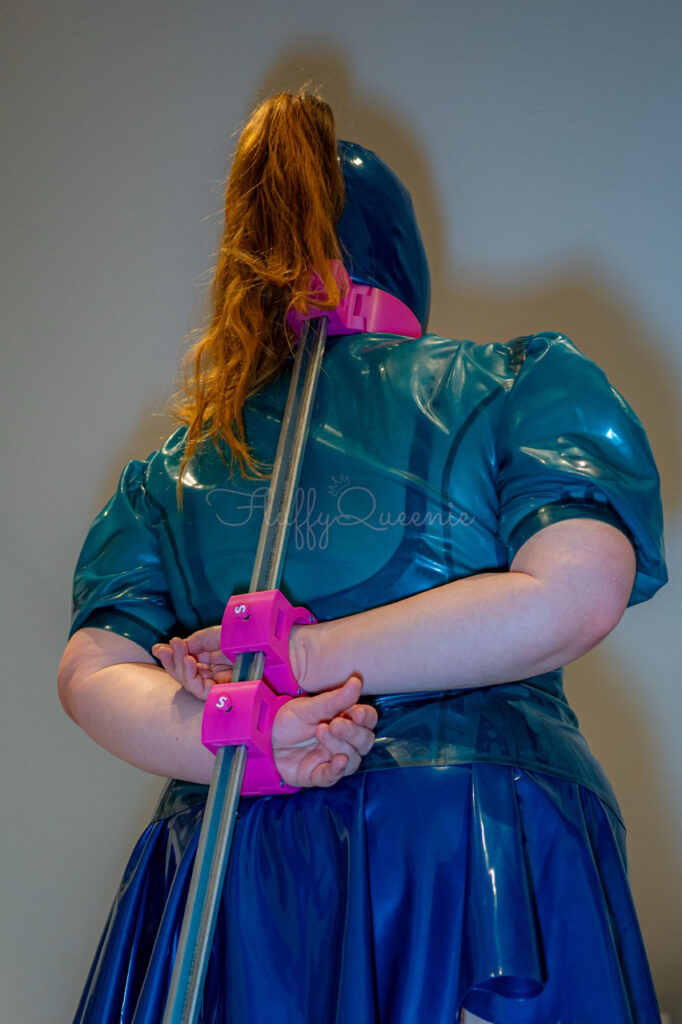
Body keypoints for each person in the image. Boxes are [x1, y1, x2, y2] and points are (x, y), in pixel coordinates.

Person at [58, 91, 667, 1024]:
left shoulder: (171, 474)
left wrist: (250, 727)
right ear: (401, 255)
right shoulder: (514, 385)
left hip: (235, 875)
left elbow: (90, 669)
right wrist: (288, 679)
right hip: (471, 845)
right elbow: (579, 591)